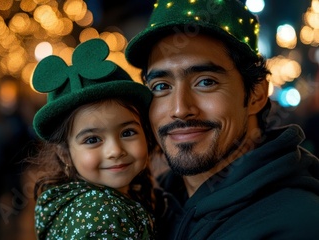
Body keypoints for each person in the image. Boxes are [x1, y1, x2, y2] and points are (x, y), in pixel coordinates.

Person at [125, 0, 319, 239]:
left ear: (256, 94)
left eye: (206, 82)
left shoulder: (295, 224)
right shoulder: (151, 206)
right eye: (161, 86)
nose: (179, 109)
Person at [31, 38, 156, 239]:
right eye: (92, 140)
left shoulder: (82, 201)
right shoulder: (100, 214)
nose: (115, 151)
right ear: (65, 154)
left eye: (127, 133)